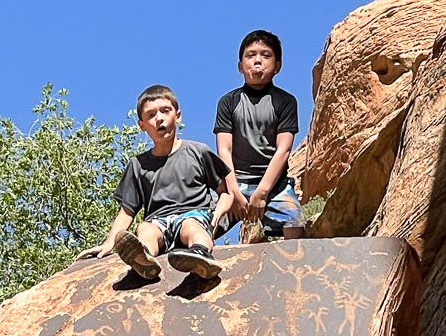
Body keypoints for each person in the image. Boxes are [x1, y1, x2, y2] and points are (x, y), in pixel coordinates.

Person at [87, 85, 233, 286]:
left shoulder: (198, 152)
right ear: (142, 125)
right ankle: (144, 259)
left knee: (191, 227)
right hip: (158, 221)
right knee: (145, 229)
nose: (159, 119)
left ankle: (200, 254)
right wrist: (109, 242)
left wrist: (216, 214)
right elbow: (127, 211)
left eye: (165, 111)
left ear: (178, 116)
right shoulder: (138, 165)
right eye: (151, 115)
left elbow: (225, 192)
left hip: (193, 213)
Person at [213, 30, 305, 242]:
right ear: (240, 66)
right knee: (202, 222)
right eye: (250, 55)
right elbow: (224, 150)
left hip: (274, 185)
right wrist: (233, 191)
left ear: (277, 66)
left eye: (265, 55)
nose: (257, 61)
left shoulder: (285, 102)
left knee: (295, 224)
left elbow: (283, 150)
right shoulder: (228, 102)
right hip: (235, 182)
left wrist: (262, 192)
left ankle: (293, 263)